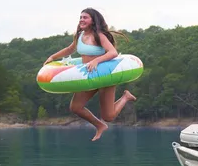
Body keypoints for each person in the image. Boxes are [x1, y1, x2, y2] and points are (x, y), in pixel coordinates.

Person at [44, 8, 136, 141]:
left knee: (108, 116)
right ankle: (100, 126)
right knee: (75, 107)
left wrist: (96, 60)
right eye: (80, 17)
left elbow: (113, 52)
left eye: (85, 17)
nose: (81, 19)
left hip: (105, 76)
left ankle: (125, 97)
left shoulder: (99, 35)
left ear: (93, 20)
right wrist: (52, 57)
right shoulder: (80, 36)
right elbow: (70, 49)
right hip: (88, 76)